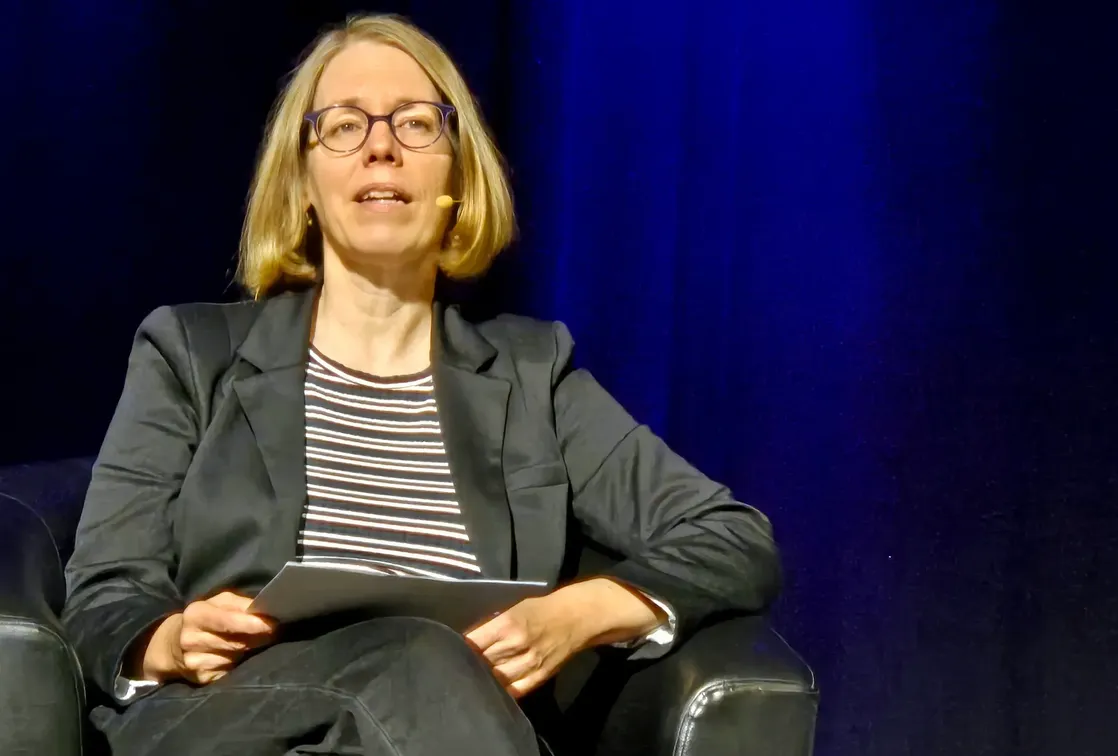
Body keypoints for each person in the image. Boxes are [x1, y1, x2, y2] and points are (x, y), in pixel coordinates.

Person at [61, 13, 780, 756]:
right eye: (343, 126)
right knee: (417, 655)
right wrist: (171, 640)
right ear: (303, 181)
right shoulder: (190, 353)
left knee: (431, 668)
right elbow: (103, 596)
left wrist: (580, 612)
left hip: (451, 726)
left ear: (458, 179)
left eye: (414, 124)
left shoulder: (532, 375)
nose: (381, 146)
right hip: (230, 722)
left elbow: (733, 538)